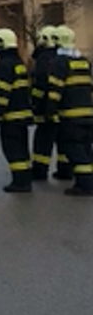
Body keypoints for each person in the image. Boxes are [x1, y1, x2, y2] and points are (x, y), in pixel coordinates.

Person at [46, 25, 93, 196]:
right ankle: (87, 181)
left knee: (74, 149)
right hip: (88, 115)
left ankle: (85, 185)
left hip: (71, 117)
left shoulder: (59, 63)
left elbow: (55, 91)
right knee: (86, 149)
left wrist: (50, 112)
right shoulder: (84, 62)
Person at [0, 28, 33, 193]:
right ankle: (25, 179)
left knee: (13, 149)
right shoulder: (18, 63)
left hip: (11, 116)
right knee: (22, 148)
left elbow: (2, 93)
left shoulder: (5, 65)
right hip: (23, 115)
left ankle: (20, 182)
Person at [30, 24, 60, 181]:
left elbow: (40, 84)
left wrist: (34, 103)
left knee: (43, 140)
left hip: (45, 107)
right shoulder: (62, 57)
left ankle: (40, 171)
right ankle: (65, 171)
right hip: (62, 108)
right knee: (62, 139)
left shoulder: (43, 58)